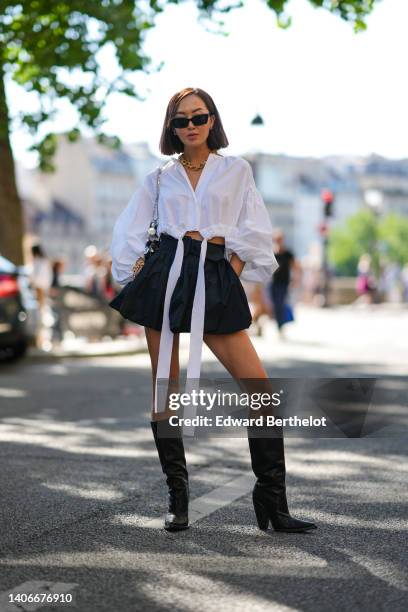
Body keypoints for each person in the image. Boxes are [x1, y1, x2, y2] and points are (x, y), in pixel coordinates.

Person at [109, 87, 316, 534]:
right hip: (166, 278)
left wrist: (231, 269)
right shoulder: (159, 177)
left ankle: (272, 503)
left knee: (259, 393)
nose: (190, 126)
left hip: (215, 277)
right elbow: (128, 229)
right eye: (180, 120)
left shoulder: (235, 169)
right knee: (165, 392)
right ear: (171, 128)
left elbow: (254, 226)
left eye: (197, 117)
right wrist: (133, 270)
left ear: (212, 120)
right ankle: (178, 498)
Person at [269, 229, 300, 339]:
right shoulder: (272, 253)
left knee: (280, 304)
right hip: (273, 283)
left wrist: (295, 280)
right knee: (274, 304)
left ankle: (280, 326)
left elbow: (296, 267)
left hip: (283, 283)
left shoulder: (288, 253)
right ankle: (279, 324)